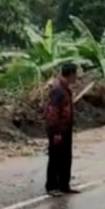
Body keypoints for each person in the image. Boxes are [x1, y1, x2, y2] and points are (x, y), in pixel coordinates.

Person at [44, 63, 79, 197]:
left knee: (66, 158)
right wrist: (56, 132)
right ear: (70, 75)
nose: (76, 78)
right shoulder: (58, 90)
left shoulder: (65, 89)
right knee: (55, 158)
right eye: (75, 75)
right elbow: (53, 113)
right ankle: (51, 186)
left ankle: (64, 185)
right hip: (58, 130)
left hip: (65, 128)